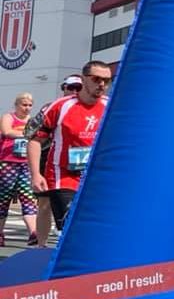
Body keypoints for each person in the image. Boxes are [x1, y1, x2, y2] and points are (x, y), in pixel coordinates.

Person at [27, 62, 110, 232]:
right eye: (96, 79)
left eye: (106, 80)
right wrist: (35, 174)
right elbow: (35, 140)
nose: (101, 84)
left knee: (96, 226)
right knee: (70, 225)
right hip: (63, 176)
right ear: (84, 80)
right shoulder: (60, 106)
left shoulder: (111, 106)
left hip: (96, 177)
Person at [22, 75, 81, 247]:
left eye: (79, 87)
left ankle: (69, 245)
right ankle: (41, 245)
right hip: (49, 160)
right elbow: (30, 133)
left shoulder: (90, 108)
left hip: (78, 163)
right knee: (45, 204)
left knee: (78, 205)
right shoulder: (52, 107)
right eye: (71, 87)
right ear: (63, 88)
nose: (74, 91)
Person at [0, 93, 38, 245]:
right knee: (3, 199)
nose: (27, 108)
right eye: (24, 104)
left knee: (28, 198)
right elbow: (7, 131)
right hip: (7, 162)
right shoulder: (9, 117)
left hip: (26, 163)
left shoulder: (33, 121)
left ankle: (33, 233)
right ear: (16, 105)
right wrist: (27, 134)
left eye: (29, 105)